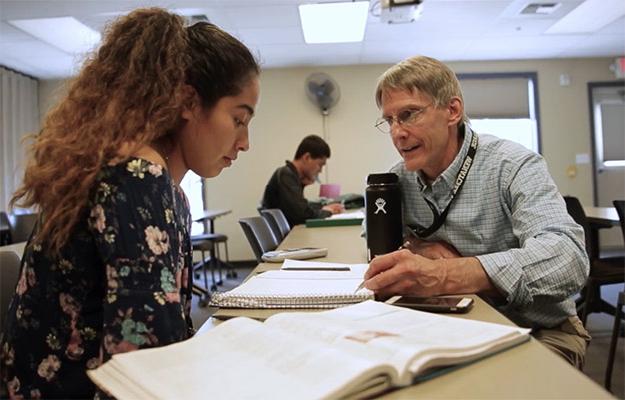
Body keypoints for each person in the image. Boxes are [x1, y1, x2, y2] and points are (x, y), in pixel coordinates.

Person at [0, 8, 260, 398]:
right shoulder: (138, 182)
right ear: (188, 102)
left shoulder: (142, 179)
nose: (245, 142)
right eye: (239, 119)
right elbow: (147, 367)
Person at [363, 55, 590, 368]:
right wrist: (420, 248)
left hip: (537, 329)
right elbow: (374, 241)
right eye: (390, 121)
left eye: (409, 114)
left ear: (452, 111)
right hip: (450, 325)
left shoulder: (513, 165)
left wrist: (449, 273)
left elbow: (569, 259)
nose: (397, 133)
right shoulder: (396, 180)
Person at [261, 134, 343, 226]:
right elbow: (302, 215)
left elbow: (301, 207)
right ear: (307, 157)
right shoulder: (286, 175)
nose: (320, 170)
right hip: (288, 238)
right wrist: (328, 212)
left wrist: (302, 186)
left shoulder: (290, 175)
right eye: (320, 165)